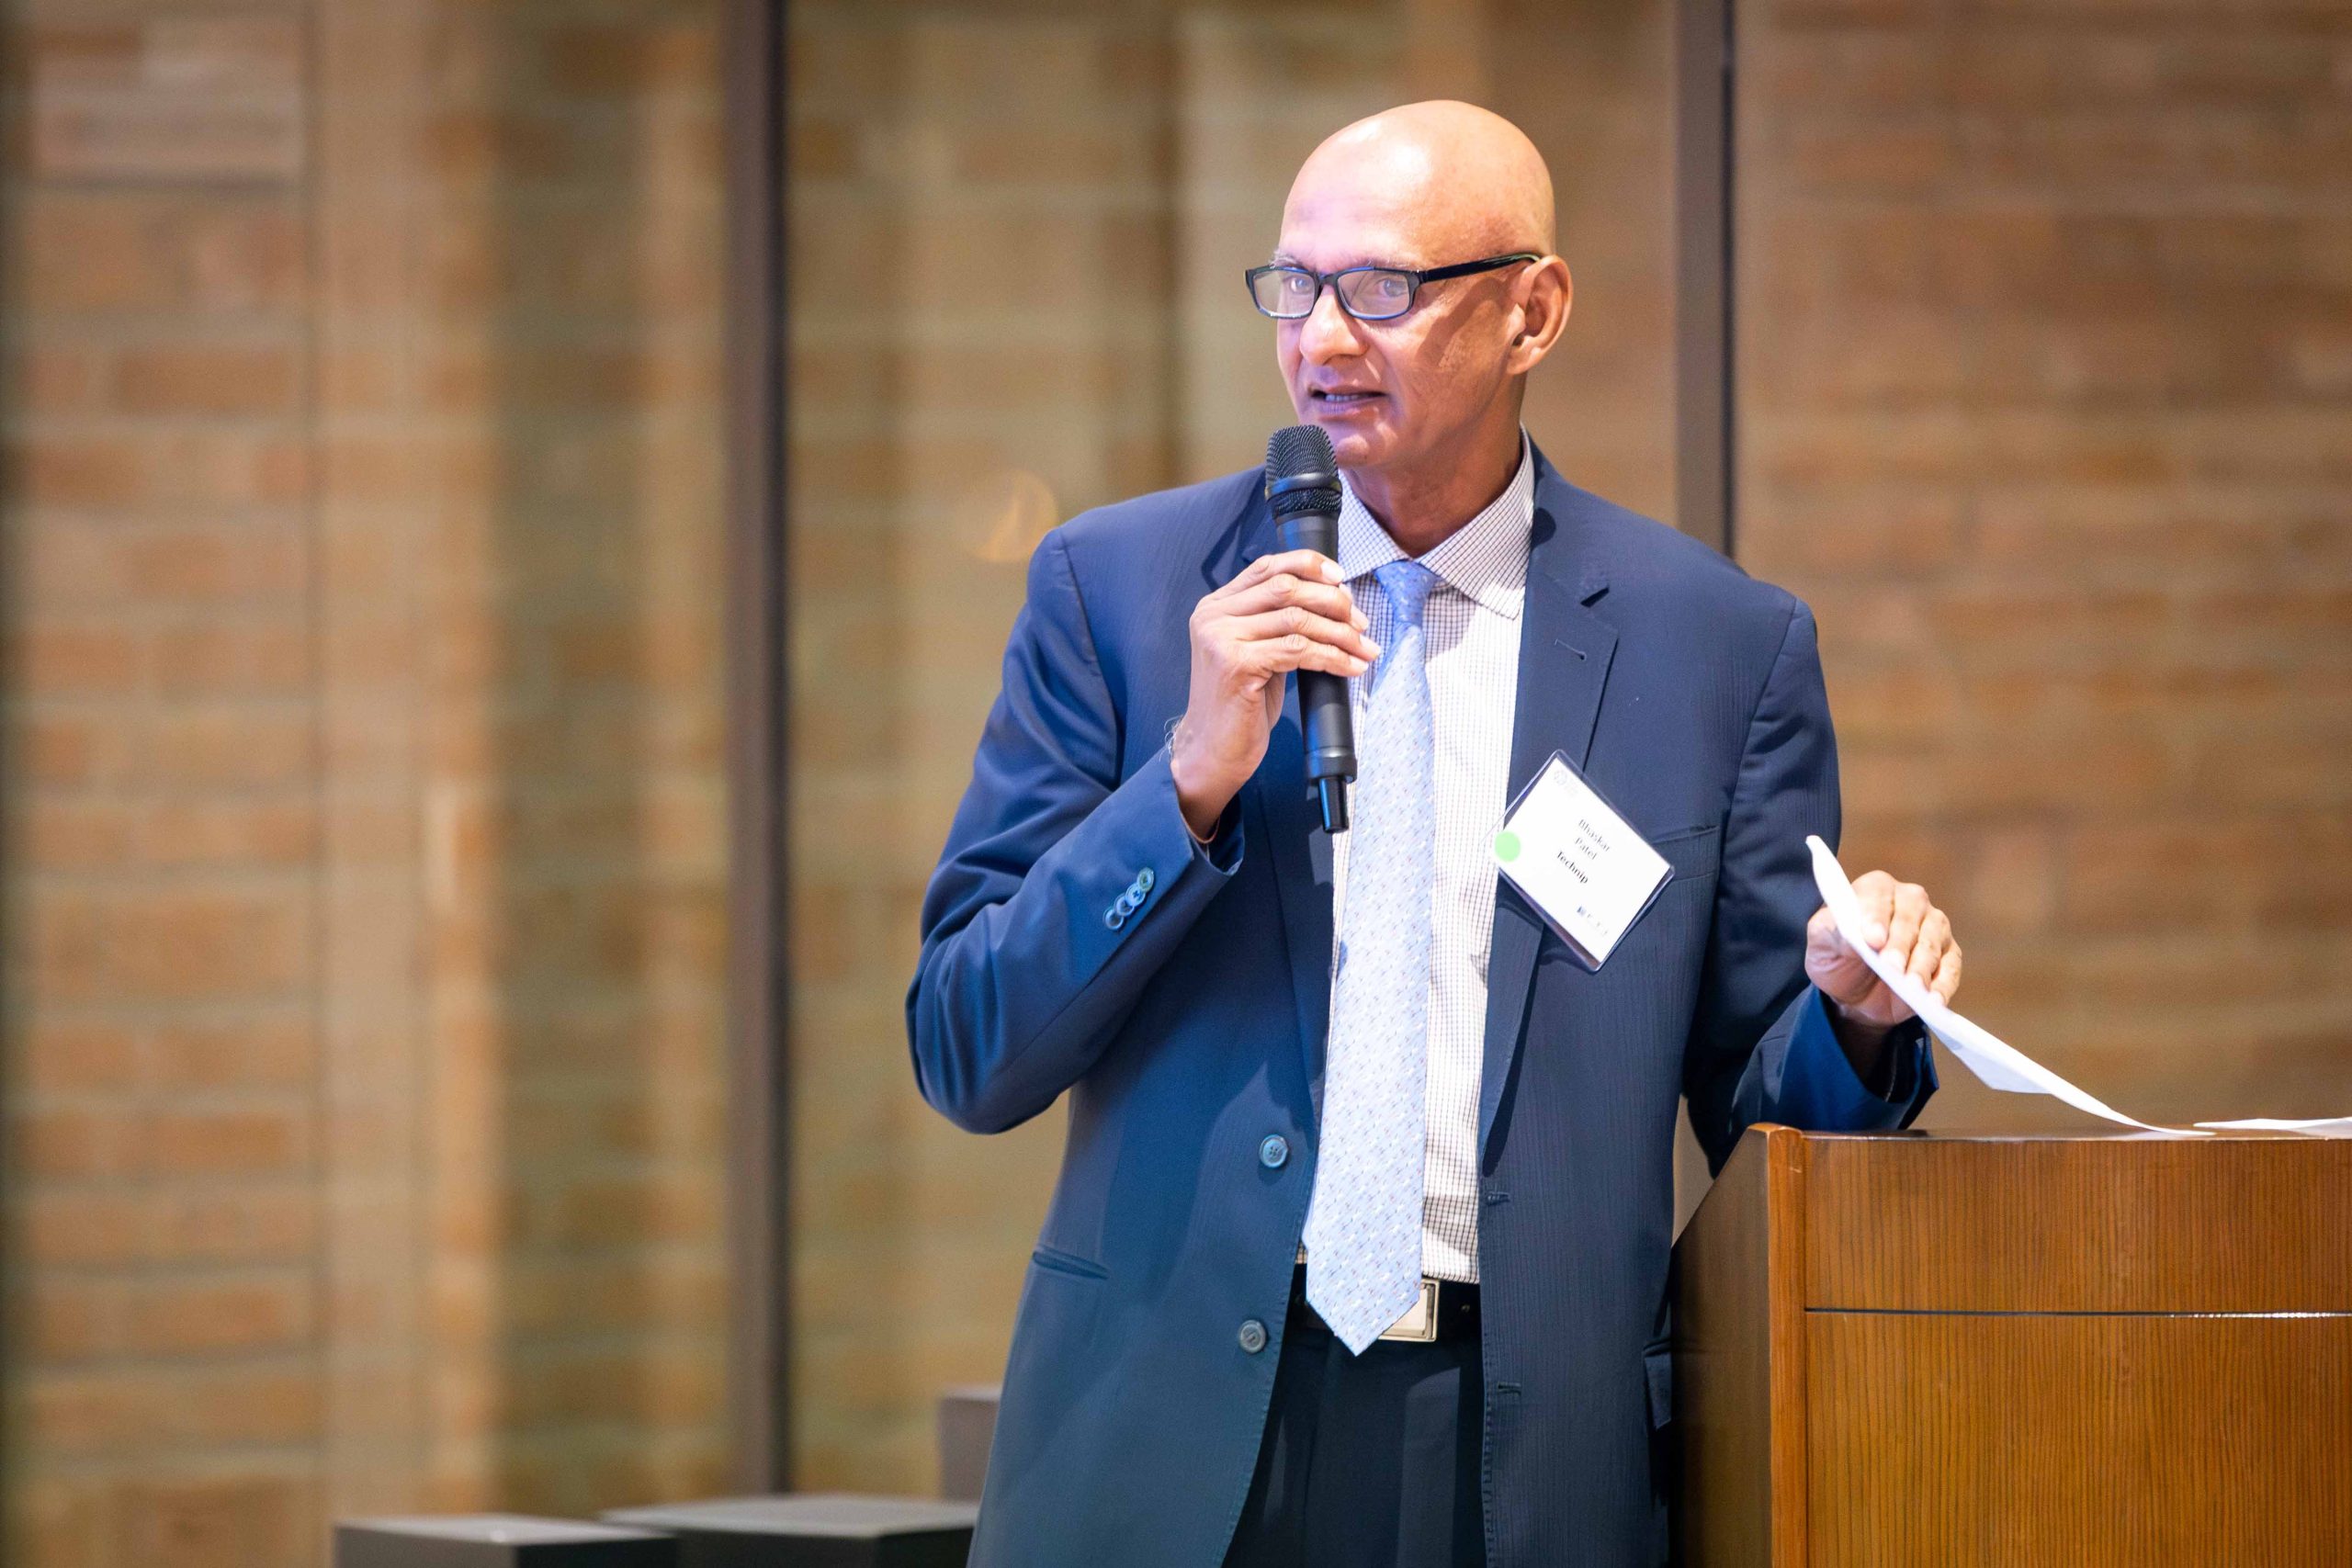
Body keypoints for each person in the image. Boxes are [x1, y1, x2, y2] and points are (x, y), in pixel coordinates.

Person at [906, 100, 1962, 1568]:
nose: (1323, 339)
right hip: (1163, 1426)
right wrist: (1187, 783)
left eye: (1383, 289)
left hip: (1519, 1454)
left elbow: (1758, 1124)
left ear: (1534, 311)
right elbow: (967, 1045)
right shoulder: (1119, 591)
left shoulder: (1718, 647)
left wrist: (1850, 1016)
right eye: (1295, 286)